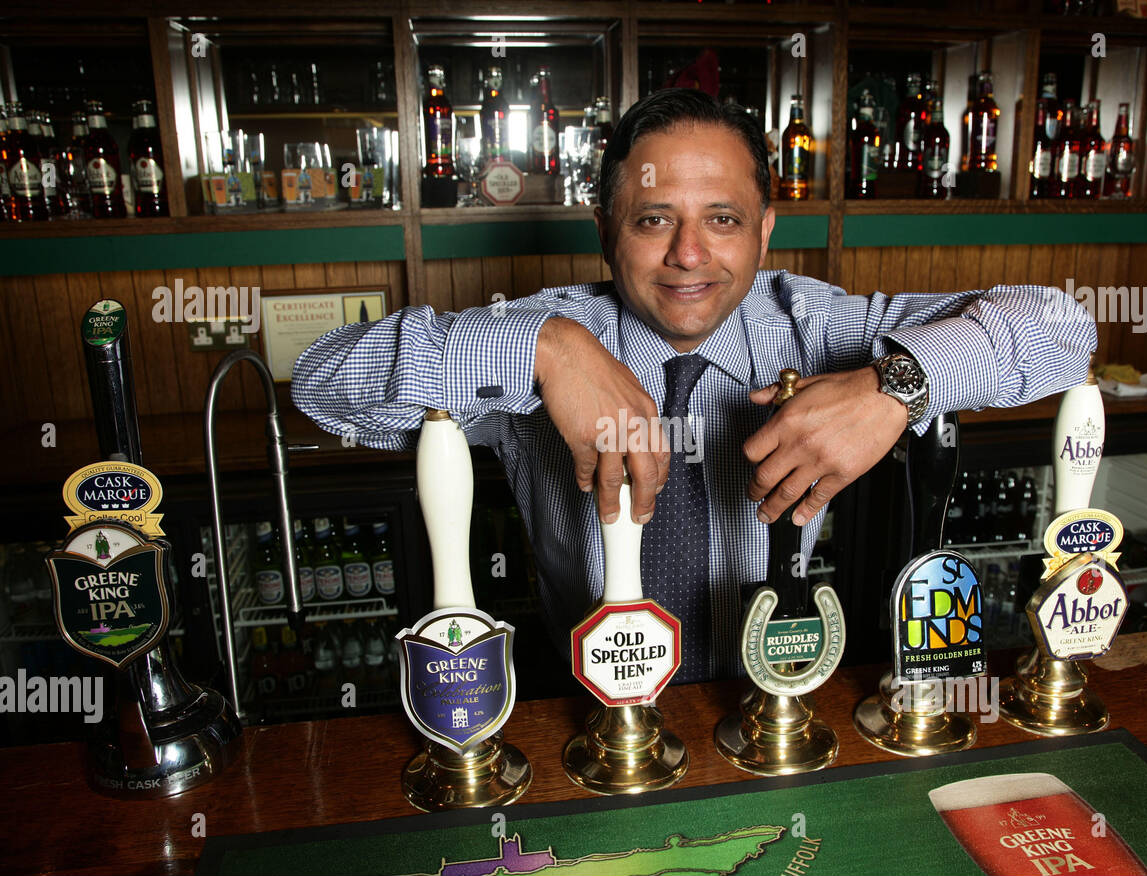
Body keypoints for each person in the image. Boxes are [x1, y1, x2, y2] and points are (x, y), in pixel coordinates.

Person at [293, 89, 1096, 683]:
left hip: (777, 695)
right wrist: (544, 347)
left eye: (722, 218)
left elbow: (1064, 329)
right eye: (652, 220)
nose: (689, 254)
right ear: (604, 229)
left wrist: (898, 383)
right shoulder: (544, 335)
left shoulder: (812, 326)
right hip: (581, 708)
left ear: (765, 229)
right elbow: (323, 382)